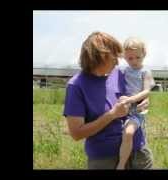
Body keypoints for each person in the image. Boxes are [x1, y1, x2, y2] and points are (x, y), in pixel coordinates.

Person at [63, 31, 153, 169]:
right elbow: (76, 133)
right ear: (99, 58)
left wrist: (144, 101)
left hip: (138, 151)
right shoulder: (76, 86)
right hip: (105, 158)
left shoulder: (120, 73)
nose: (117, 61)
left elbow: (138, 92)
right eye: (113, 58)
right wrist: (112, 115)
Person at [116, 37, 155, 169]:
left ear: (144, 53)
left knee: (128, 133)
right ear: (124, 57)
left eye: (137, 57)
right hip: (123, 108)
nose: (134, 61)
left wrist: (130, 99)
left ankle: (121, 164)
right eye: (130, 58)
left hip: (137, 110)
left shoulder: (145, 72)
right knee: (122, 134)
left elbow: (146, 91)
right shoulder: (123, 71)